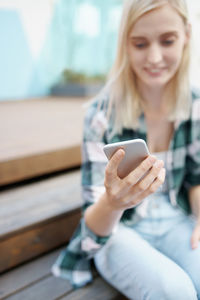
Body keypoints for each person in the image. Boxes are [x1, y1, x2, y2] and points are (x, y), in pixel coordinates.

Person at [52, 0, 200, 299]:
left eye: (167, 40)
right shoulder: (102, 114)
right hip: (119, 230)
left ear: (186, 34)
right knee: (175, 291)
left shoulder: (195, 105)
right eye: (140, 43)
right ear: (125, 45)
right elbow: (94, 222)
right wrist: (113, 202)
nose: (155, 57)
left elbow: (196, 179)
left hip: (176, 219)